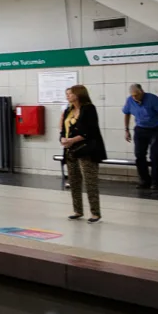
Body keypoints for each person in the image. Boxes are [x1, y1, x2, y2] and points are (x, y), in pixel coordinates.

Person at [61, 85, 107, 223]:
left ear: (79, 94)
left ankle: (95, 212)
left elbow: (91, 130)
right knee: (74, 182)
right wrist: (63, 139)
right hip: (70, 150)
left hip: (86, 149)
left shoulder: (89, 109)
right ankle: (78, 210)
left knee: (90, 181)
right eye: (66, 93)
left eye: (70, 93)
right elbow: (63, 129)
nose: (67, 96)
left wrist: (73, 139)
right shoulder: (68, 110)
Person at [123, 83, 158, 190]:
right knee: (139, 155)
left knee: (154, 156)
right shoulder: (130, 100)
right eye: (133, 95)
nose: (135, 97)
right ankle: (144, 180)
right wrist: (127, 130)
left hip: (155, 129)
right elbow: (127, 113)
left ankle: (155, 182)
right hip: (140, 129)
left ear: (142, 92)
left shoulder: (152, 99)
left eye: (137, 95)